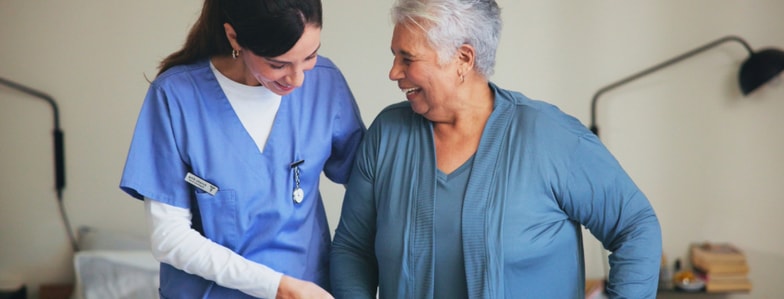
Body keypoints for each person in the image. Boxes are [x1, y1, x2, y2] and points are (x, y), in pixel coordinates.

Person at [330, 0, 662, 298]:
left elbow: (635, 227)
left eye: (408, 58)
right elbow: (352, 248)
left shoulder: (549, 136)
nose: (394, 72)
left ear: (463, 59)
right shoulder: (388, 134)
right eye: (394, 56)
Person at [119, 0, 365, 298]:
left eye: (310, 56)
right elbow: (169, 238)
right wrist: (278, 288)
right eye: (278, 64)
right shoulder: (176, 97)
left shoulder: (325, 82)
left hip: (310, 287)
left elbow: (370, 189)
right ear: (234, 37)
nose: (298, 78)